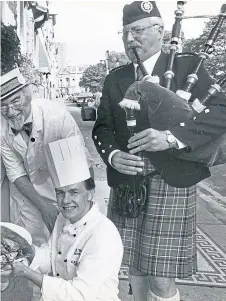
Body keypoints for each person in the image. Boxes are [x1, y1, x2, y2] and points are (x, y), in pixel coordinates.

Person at [92, 2, 226, 301]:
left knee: (161, 280)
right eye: (125, 32)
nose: (130, 40)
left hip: (172, 178)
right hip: (129, 181)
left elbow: (222, 110)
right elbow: (103, 127)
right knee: (135, 269)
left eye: (137, 31)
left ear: (160, 30)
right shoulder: (116, 77)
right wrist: (113, 156)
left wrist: (171, 137)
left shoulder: (188, 66)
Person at [1, 67, 93, 300]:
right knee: (30, 253)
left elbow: (78, 168)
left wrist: (71, 211)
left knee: (71, 252)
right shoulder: (1, 127)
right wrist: (44, 208)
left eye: (16, 101)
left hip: (66, 187)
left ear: (29, 93)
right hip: (29, 195)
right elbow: (16, 173)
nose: (10, 111)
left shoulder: (56, 116)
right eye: (2, 105)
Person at [1, 136, 123, 301]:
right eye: (60, 192)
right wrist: (21, 249)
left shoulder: (103, 234)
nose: (65, 201)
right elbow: (49, 258)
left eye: (74, 192)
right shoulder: (63, 219)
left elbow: (80, 294)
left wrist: (27, 273)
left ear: (90, 193)